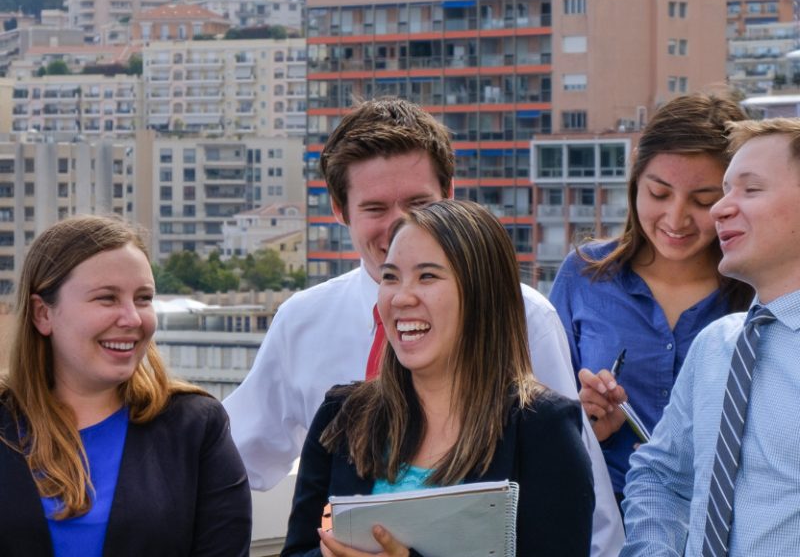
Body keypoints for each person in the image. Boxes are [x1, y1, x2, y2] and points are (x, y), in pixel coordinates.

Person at [223, 97, 623, 555]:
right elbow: (238, 453)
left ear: (449, 194)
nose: (398, 225)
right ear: (339, 210)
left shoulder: (530, 321)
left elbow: (587, 518)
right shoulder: (309, 336)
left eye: (418, 202)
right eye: (375, 208)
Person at [282, 200, 595, 557]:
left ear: (482, 294)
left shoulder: (542, 429)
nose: (400, 297)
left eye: (427, 276)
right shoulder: (342, 416)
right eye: (390, 277)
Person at [0, 215, 251, 557]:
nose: (132, 319)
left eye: (144, 298)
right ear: (42, 314)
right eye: (107, 298)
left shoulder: (195, 428)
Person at [548, 92, 754, 503]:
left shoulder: (760, 291)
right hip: (603, 519)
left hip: (721, 525)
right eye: (659, 194)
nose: (676, 219)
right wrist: (588, 420)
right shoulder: (584, 274)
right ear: (635, 183)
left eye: (704, 201)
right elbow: (539, 407)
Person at [621, 118, 800, 555]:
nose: (720, 208)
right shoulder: (716, 345)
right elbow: (660, 475)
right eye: (725, 190)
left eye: (750, 189)